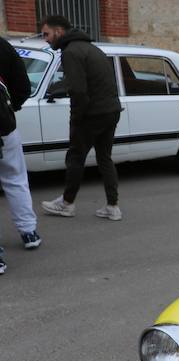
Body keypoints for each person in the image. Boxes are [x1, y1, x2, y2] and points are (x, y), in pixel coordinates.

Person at [39, 15, 122, 221]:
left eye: (47, 34)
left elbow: (77, 91)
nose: (46, 39)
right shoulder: (93, 49)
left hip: (91, 114)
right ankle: (113, 207)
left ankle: (67, 204)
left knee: (75, 158)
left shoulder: (71, 52)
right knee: (105, 158)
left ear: (59, 31)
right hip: (111, 111)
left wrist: (75, 119)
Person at [0, 34, 41, 275]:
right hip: (5, 126)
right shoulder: (3, 46)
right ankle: (29, 232)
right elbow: (23, 87)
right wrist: (10, 108)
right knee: (15, 178)